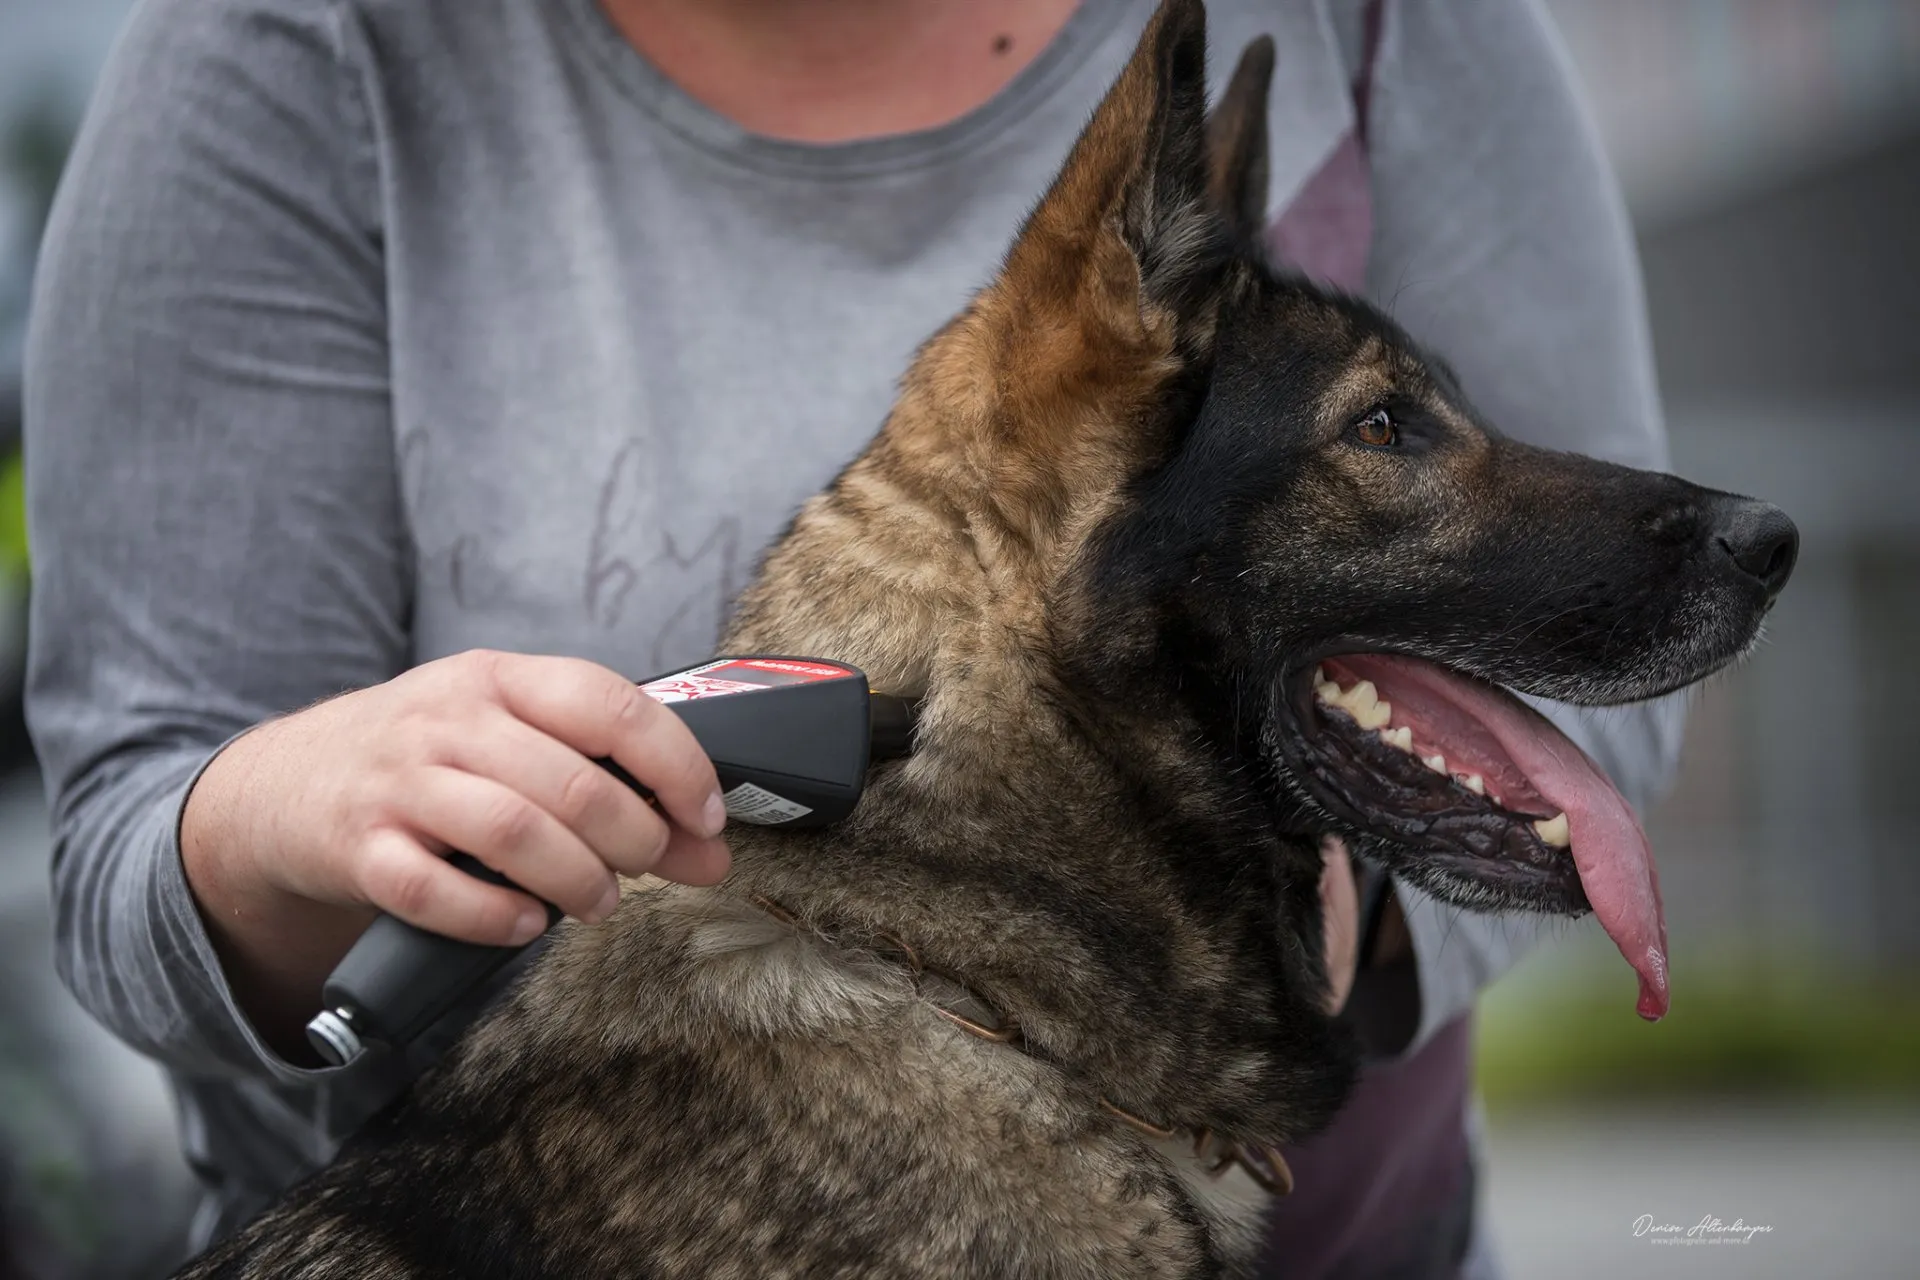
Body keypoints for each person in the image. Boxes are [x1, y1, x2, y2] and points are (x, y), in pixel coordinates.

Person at [23, 0, 1683, 1273]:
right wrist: (277, 814)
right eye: (1385, 434)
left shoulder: (1383, 26)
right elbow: (120, 840)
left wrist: (1297, 889)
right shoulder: (283, 60)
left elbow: (1591, 643)